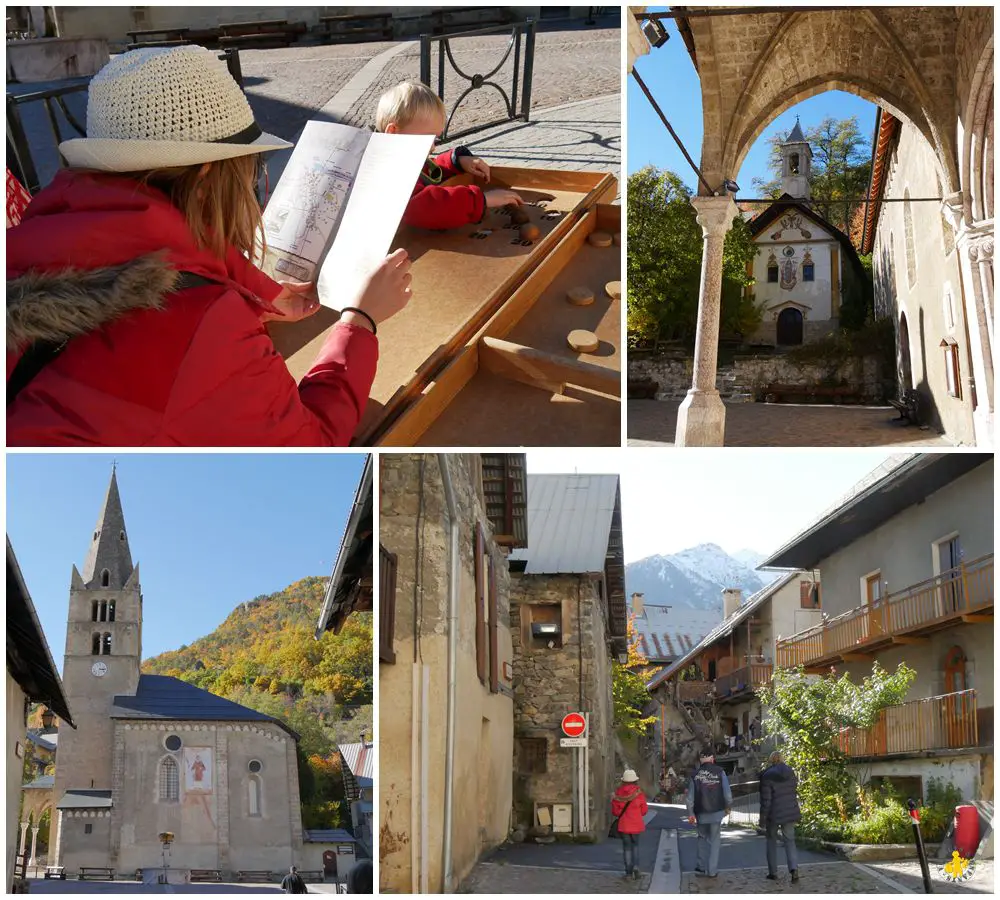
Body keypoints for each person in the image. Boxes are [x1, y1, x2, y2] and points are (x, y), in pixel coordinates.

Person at [7, 45, 411, 446]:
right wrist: (360, 321)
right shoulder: (205, 324)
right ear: (206, 177)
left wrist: (262, 294)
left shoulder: (53, 229)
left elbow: (165, 245)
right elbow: (312, 442)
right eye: (249, 169)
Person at [375, 81, 523, 230]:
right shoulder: (385, 171)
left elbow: (429, 172)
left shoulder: (402, 156)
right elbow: (428, 207)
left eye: (435, 139)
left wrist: (457, 161)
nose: (433, 147)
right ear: (393, 132)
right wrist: (481, 200)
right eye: (427, 139)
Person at [686, 748, 732, 878]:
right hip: (717, 811)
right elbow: (727, 794)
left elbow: (690, 798)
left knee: (702, 839)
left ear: (701, 760)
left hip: (701, 812)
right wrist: (728, 807)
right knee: (715, 841)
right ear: (712, 759)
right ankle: (712, 871)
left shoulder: (695, 775)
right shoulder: (720, 772)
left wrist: (690, 813)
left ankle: (700, 867)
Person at [759, 750, 801, 883]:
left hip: (773, 814)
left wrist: (762, 818)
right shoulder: (791, 772)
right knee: (790, 841)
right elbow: (793, 791)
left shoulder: (767, 776)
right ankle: (794, 869)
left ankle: (773, 872)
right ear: (782, 759)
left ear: (771, 761)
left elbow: (766, 800)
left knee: (771, 840)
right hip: (789, 812)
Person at [611, 768, 648, 881]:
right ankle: (636, 868)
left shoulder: (618, 794)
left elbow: (615, 812)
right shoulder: (639, 793)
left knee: (627, 848)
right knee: (635, 846)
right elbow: (644, 811)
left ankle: (628, 873)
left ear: (624, 781)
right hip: (636, 824)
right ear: (634, 781)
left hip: (624, 825)